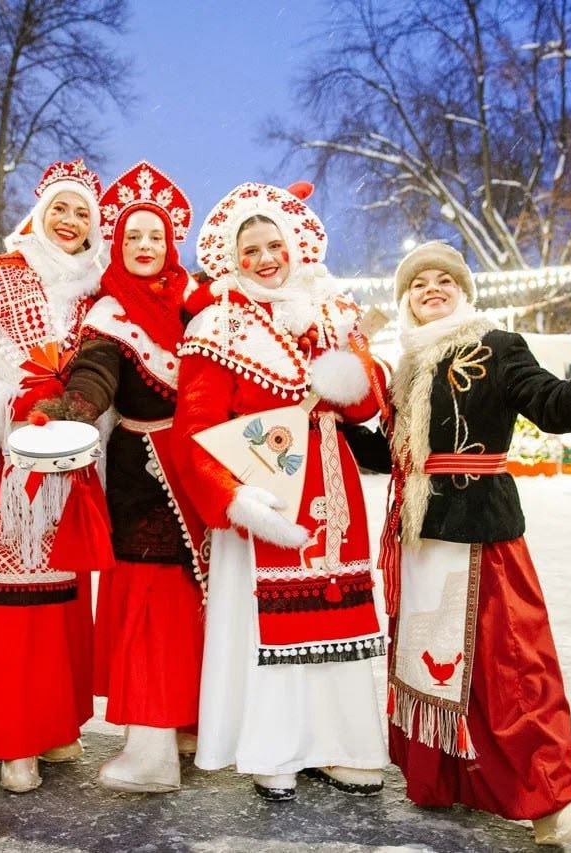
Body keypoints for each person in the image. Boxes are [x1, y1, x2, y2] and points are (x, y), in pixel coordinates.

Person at [378, 241, 571, 845]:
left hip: (483, 531)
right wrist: (316, 421)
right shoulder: (405, 367)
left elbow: (555, 407)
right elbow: (389, 452)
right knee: (436, 667)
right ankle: (447, 778)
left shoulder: (496, 346)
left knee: (516, 665)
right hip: (419, 537)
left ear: (464, 292)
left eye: (444, 280)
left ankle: (555, 797)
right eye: (419, 283)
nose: (432, 289)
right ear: (406, 299)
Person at [173, 181, 389, 803]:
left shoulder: (332, 314)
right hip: (262, 491)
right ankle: (275, 746)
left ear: (297, 246)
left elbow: (366, 407)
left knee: (338, 615)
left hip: (332, 484)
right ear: (232, 259)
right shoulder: (218, 324)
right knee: (268, 622)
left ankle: (341, 743)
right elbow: (195, 428)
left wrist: (350, 368)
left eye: (274, 245)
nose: (265, 258)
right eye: (251, 250)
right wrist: (231, 496)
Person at [32, 162, 205, 793]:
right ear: (117, 243)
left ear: (172, 243)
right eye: (132, 236)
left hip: (202, 474)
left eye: (155, 236)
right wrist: (67, 412)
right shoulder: (110, 314)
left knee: (190, 603)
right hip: (145, 478)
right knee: (151, 606)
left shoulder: (198, 304)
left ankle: (180, 732)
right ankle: (156, 742)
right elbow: (95, 378)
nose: (144, 246)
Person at [0, 159, 104, 793]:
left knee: (60, 599)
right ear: (38, 214)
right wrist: (17, 405)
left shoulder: (96, 293)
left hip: (69, 463)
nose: (69, 222)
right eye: (59, 209)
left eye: (82, 213)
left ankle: (54, 722)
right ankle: (11, 736)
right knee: (3, 606)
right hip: (2, 465)